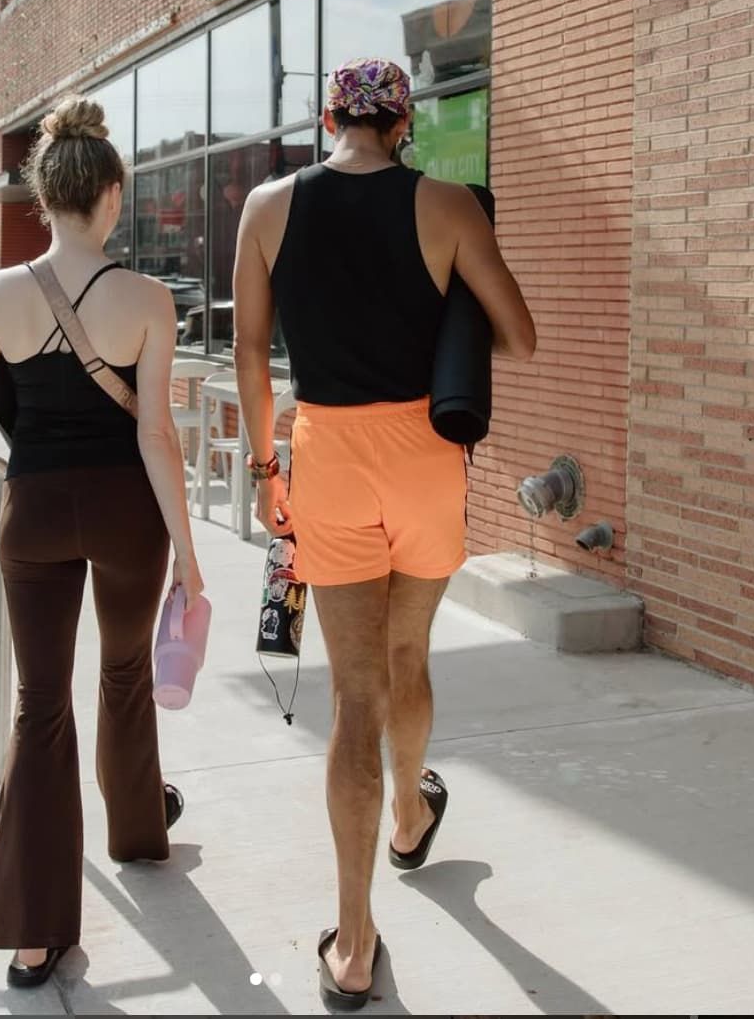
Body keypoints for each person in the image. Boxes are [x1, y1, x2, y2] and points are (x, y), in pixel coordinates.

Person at [233, 57, 535, 1009]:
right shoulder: (448, 204)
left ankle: (354, 946)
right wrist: (451, 294)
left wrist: (262, 467)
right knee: (411, 655)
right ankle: (410, 816)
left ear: (330, 119)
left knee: (353, 697)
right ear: (403, 123)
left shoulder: (268, 207)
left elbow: (247, 346)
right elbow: (518, 337)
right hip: (423, 457)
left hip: (325, 450)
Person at [0, 95, 205, 990]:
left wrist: (18, 400)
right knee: (126, 672)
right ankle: (137, 831)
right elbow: (156, 435)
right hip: (129, 512)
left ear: (42, 201)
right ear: (111, 199)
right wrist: (192, 556)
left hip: (35, 512)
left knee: (39, 703)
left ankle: (32, 934)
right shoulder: (149, 298)